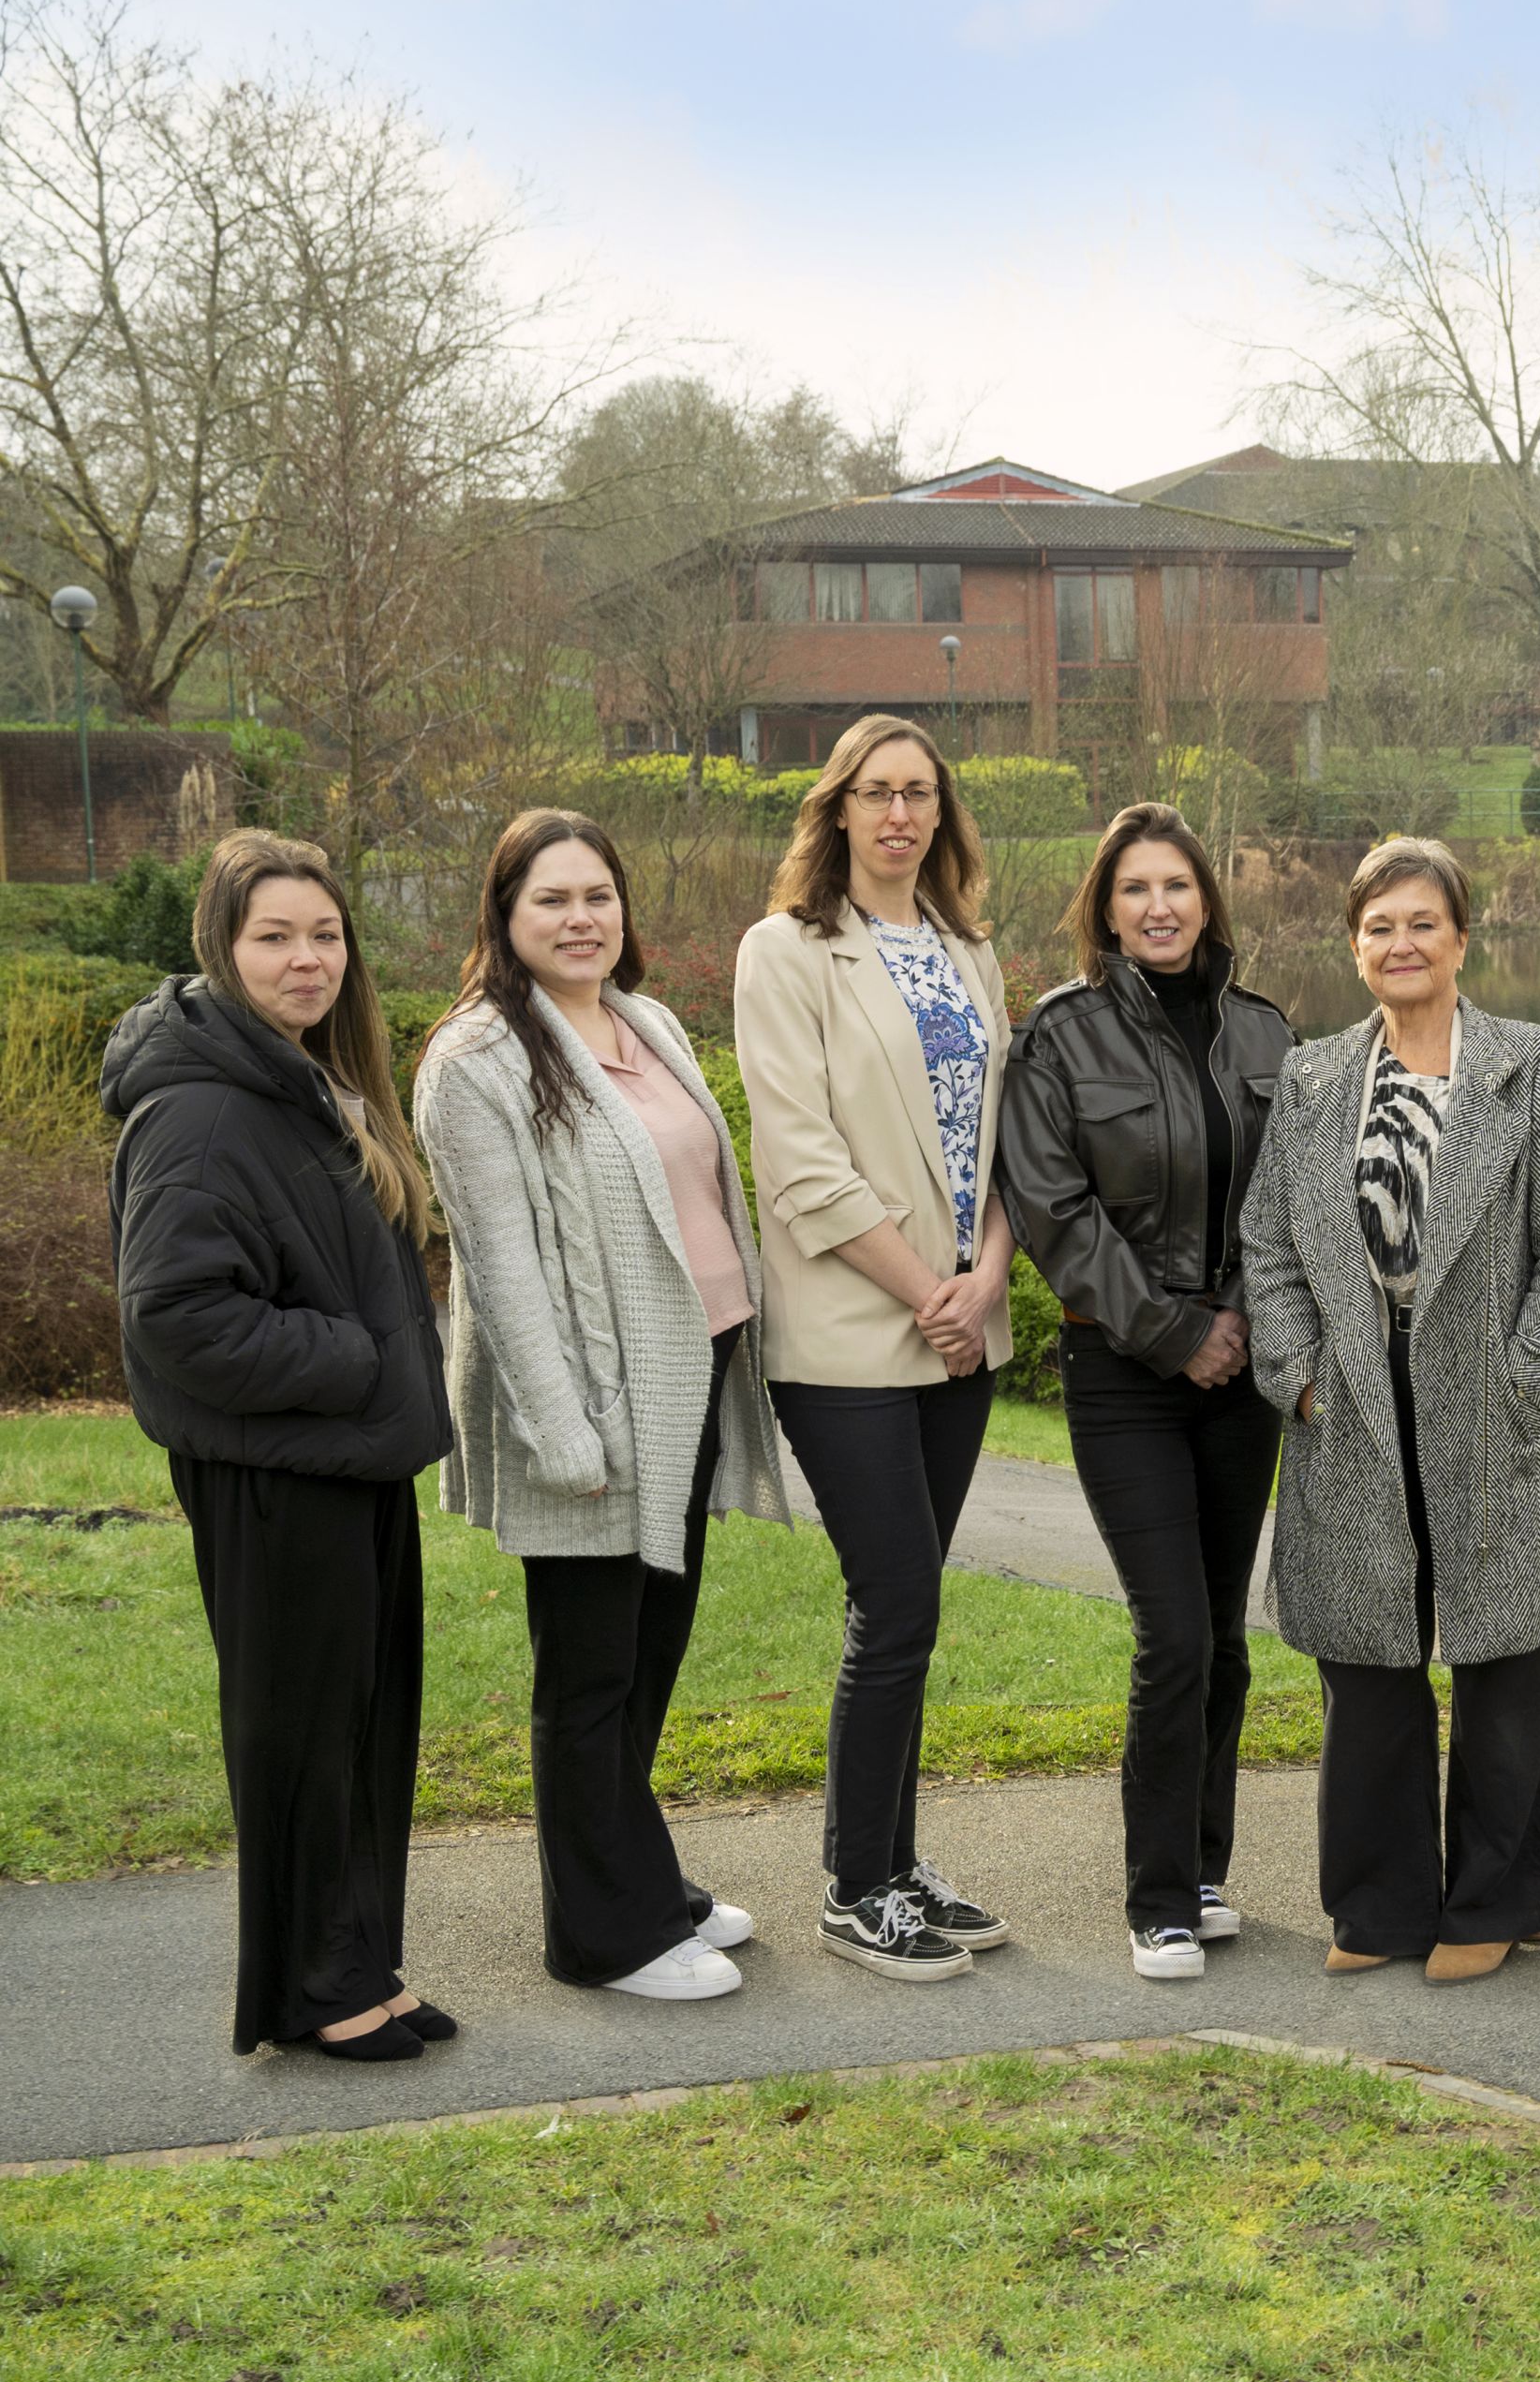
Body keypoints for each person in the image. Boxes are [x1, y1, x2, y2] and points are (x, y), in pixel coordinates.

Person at [414, 810, 789, 2006]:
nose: (581, 919)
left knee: (647, 1659)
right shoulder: (474, 1062)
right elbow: (504, 1266)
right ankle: (601, 1938)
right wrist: (563, 1428)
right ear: (504, 918)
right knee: (586, 1677)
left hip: (688, 1386)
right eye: (551, 901)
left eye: (597, 896)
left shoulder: (646, 1022)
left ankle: (636, 1878)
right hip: (588, 1415)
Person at [105, 830, 452, 2060]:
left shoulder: (306, 1081)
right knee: (300, 1738)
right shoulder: (199, 1115)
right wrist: (359, 1361)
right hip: (277, 1476)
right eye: (274, 937)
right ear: (220, 945)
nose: (306, 960)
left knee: (361, 1723)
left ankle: (359, 1960)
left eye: (324, 934)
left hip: (348, 1466)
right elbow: (177, 1317)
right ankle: (312, 1990)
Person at [1244, 836, 1540, 1984]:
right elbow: (1267, 1245)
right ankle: (1378, 1903)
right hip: (1351, 1397)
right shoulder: (1310, 1080)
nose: (1400, 944)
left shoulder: (1530, 1066)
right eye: (1378, 927)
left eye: (1422, 923)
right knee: (1369, 1659)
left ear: (1461, 938)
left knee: (1504, 1659)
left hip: (1497, 1399)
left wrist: (1528, 1378)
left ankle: (1488, 1903)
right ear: (1353, 945)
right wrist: (1298, 1374)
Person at [733, 715, 1014, 1984]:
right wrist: (926, 1289)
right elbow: (797, 1161)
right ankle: (856, 1889)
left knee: (913, 1609)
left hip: (963, 1329)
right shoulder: (786, 953)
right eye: (875, 793)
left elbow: (1005, 1142)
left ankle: (898, 1866)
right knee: (892, 1600)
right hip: (852, 1334)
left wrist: (989, 1275)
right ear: (835, 810)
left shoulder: (968, 951)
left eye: (919, 793)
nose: (899, 813)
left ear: (941, 813)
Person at [1000, 804, 1296, 1984]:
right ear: (1104, 909)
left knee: (1223, 1637)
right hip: (1124, 1370)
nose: (1160, 907)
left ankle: (1205, 1863)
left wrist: (1242, 1328)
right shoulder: (1060, 1040)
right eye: (1135, 890)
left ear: (1207, 902)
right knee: (1170, 1631)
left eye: (1178, 885)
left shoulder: (1269, 1036)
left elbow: (1292, 1204)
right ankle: (1156, 1899)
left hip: (1242, 1373)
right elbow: (1052, 1213)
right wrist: (1175, 1331)